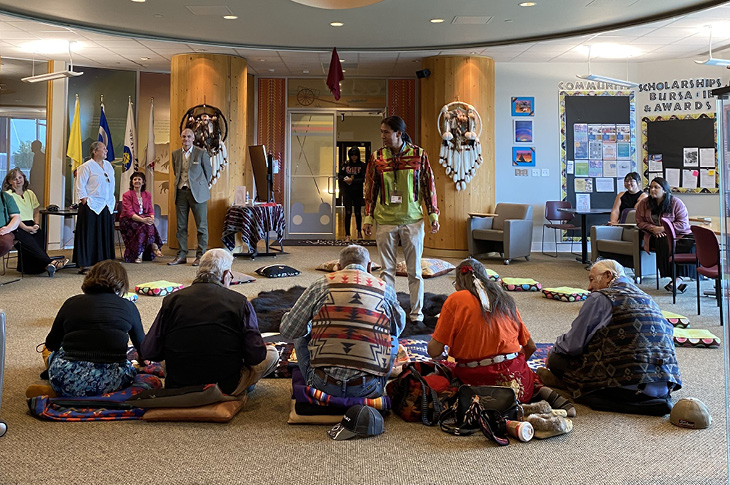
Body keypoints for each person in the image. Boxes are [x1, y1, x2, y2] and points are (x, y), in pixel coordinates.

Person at [540, 259, 681, 415]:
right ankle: (650, 399)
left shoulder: (600, 298)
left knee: (557, 359)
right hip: (665, 384)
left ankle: (573, 386)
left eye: (591, 279)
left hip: (626, 386)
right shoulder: (648, 298)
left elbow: (573, 345)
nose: (589, 287)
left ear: (608, 275)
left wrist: (555, 349)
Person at [142, 249, 278, 395]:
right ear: (226, 275)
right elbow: (255, 356)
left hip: (178, 385)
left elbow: (150, 351)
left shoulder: (171, 300)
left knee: (168, 357)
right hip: (224, 387)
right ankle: (242, 386)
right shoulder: (240, 302)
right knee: (272, 353)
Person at [280, 245, 405, 398]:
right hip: (368, 389)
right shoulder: (385, 289)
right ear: (370, 266)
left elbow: (288, 330)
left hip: (322, 385)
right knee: (392, 339)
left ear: (338, 267)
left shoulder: (320, 285)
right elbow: (398, 328)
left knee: (300, 331)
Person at [427, 258, 539, 402]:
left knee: (441, 369)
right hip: (516, 387)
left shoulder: (456, 299)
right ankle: (544, 395)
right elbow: (530, 347)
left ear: (459, 283)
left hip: (476, 384)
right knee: (531, 374)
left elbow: (434, 351)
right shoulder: (505, 299)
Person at [363, 115, 439, 323]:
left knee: (414, 271)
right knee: (387, 271)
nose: (382, 136)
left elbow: (428, 185)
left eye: (386, 132)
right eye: (381, 132)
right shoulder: (377, 157)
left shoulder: (419, 155)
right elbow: (370, 188)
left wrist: (433, 213)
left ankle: (416, 314)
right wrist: (368, 217)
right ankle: (388, 312)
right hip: (385, 220)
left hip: (412, 221)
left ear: (399, 133)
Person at [44, 260, 145, 397]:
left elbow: (51, 343)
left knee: (50, 352)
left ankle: (58, 392)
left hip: (67, 379)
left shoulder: (71, 302)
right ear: (122, 282)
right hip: (113, 381)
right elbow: (143, 348)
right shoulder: (129, 307)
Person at [3, 168, 67, 276]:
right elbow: (11, 215)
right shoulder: (7, 195)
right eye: (14, 179)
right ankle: (51, 263)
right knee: (28, 240)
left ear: (24, 178)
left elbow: (36, 211)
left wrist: (36, 224)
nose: (18, 180)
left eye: (20, 177)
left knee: (39, 234)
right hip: (16, 225)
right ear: (9, 181)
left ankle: (39, 267)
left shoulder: (30, 193)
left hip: (30, 223)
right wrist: (25, 228)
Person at [635, 176, 693, 293]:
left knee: (694, 243)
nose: (652, 190)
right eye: (651, 187)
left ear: (665, 190)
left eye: (656, 187)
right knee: (665, 241)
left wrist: (663, 229)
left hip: (679, 234)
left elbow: (683, 224)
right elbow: (639, 222)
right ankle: (675, 278)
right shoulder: (644, 203)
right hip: (654, 236)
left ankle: (678, 279)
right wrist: (653, 228)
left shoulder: (676, 203)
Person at [168, 128, 212, 267]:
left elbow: (208, 174)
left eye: (188, 136)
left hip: (198, 194)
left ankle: (200, 256)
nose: (186, 139)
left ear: (193, 138)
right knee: (181, 226)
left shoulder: (201, 153)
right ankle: (181, 255)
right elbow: (177, 172)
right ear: (181, 138)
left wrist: (198, 186)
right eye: (184, 136)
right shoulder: (175, 154)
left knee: (201, 226)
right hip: (181, 192)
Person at [73, 141, 116, 275]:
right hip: (92, 204)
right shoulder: (86, 167)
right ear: (95, 151)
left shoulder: (108, 166)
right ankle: (85, 264)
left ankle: (104, 264)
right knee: (89, 235)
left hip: (106, 205)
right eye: (103, 149)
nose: (106, 151)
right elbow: (80, 185)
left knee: (104, 235)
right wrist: (84, 200)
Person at [119, 171, 163, 263]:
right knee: (144, 226)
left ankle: (141, 253)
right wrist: (143, 220)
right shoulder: (127, 195)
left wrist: (151, 218)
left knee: (148, 225)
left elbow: (150, 209)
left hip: (143, 218)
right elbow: (129, 212)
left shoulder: (147, 194)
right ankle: (150, 248)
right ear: (132, 182)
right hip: (128, 220)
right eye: (135, 179)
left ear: (143, 182)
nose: (137, 181)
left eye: (139, 179)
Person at [338, 146, 366, 242]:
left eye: (356, 155)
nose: (354, 157)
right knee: (348, 212)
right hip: (347, 192)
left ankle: (359, 232)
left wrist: (353, 180)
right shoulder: (345, 165)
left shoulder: (362, 165)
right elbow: (340, 176)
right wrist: (346, 180)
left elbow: (363, 178)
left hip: (357, 192)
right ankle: (347, 234)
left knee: (358, 213)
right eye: (352, 155)